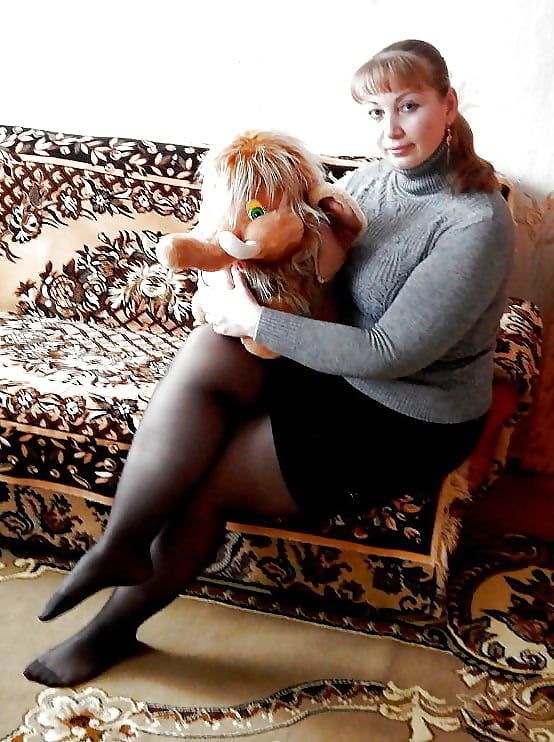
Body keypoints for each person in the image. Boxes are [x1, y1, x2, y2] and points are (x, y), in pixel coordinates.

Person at [24, 39, 514, 688]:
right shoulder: (369, 182)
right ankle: (120, 546)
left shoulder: (475, 222)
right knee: (210, 347)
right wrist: (231, 277)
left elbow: (391, 353)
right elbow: (287, 246)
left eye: (409, 106)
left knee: (208, 482)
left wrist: (254, 321)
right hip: (337, 363)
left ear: (448, 105)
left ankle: (108, 633)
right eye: (375, 112)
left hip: (405, 414)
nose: (390, 130)